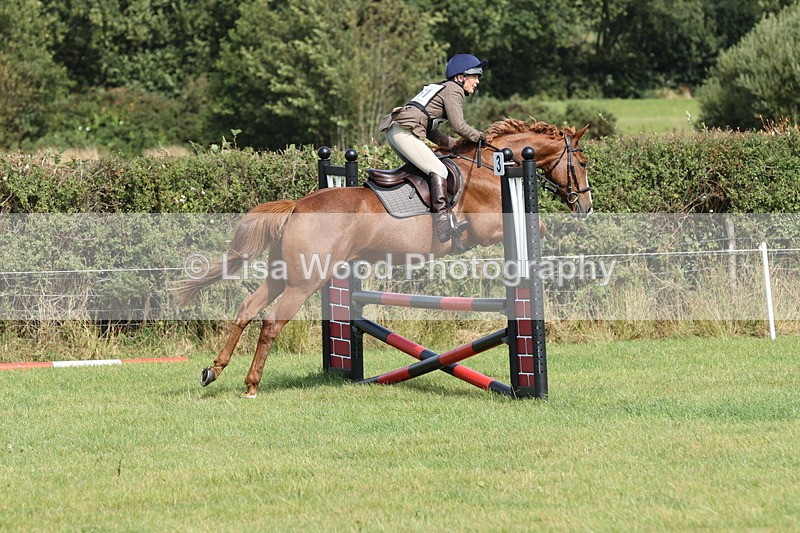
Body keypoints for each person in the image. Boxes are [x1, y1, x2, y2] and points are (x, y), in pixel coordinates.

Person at [378, 54, 487, 245]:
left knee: (425, 171)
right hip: (403, 132)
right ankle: (443, 224)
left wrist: (455, 145)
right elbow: (459, 126)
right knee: (439, 170)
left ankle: (417, 215)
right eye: (475, 76)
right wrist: (480, 137)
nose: (477, 81)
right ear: (461, 77)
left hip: (395, 130)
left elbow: (432, 132)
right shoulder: (454, 90)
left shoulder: (441, 88)